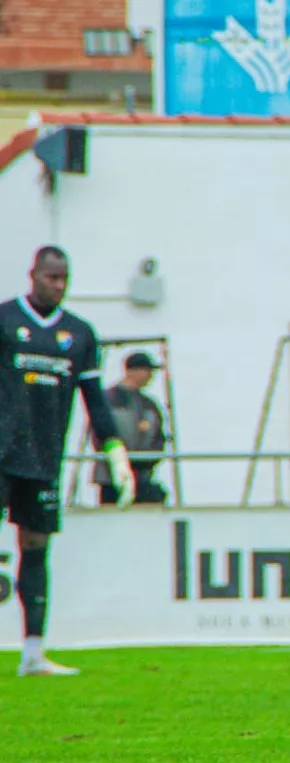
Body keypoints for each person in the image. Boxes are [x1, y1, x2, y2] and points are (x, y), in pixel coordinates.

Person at [1, 246, 135, 677]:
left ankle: (34, 654)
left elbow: (94, 399)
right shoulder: (5, 321)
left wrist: (114, 450)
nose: (58, 286)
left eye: (64, 279)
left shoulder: (79, 334)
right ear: (33, 274)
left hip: (44, 457)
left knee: (36, 548)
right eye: (51, 277)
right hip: (1, 453)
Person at [93, 351, 169, 505]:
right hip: (111, 478)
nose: (151, 376)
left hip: (143, 476)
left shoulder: (150, 404)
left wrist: (147, 461)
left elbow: (159, 438)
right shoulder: (108, 399)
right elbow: (98, 435)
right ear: (133, 371)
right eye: (148, 370)